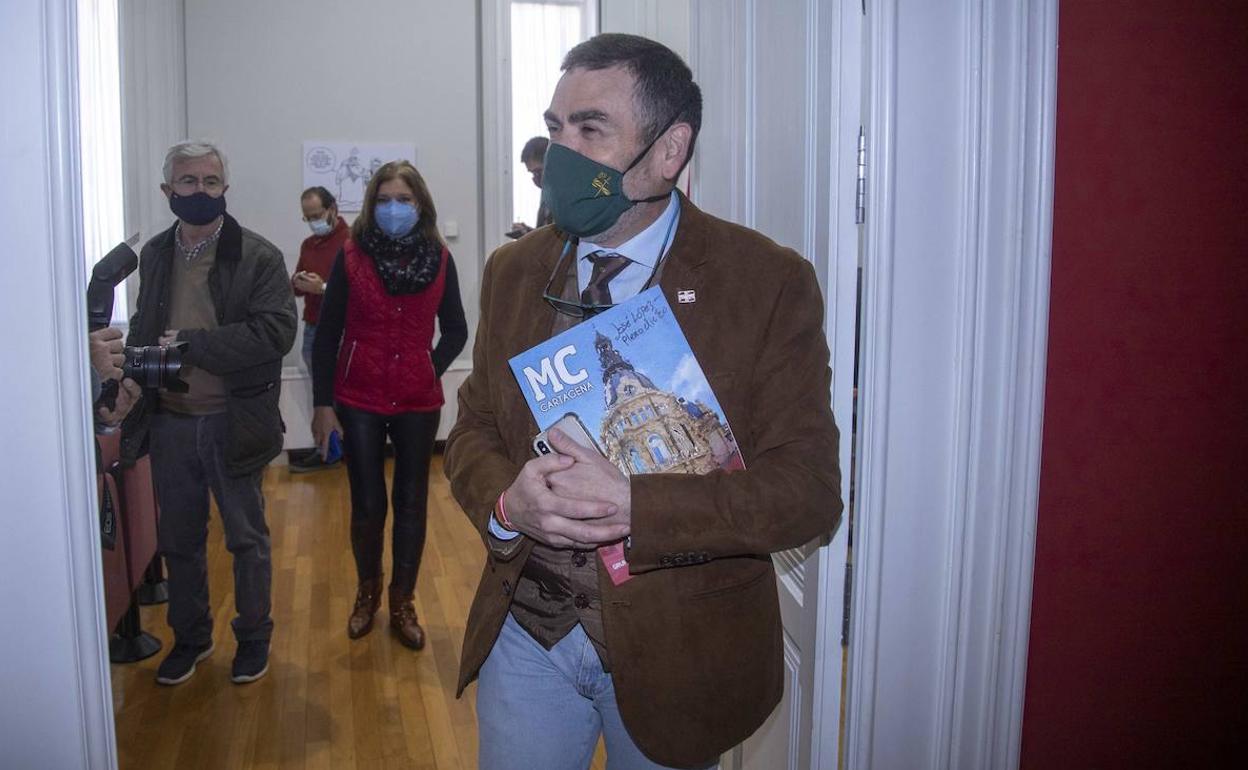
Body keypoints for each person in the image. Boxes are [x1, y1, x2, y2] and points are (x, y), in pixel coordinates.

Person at [444, 34, 843, 770]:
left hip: (681, 650)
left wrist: (636, 506)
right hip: (528, 631)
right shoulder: (513, 270)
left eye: (590, 129)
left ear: (669, 150)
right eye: (555, 127)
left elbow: (808, 495)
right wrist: (509, 507)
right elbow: (473, 427)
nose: (559, 153)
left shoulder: (764, 282)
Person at [121, 140, 297, 686]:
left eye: (211, 183)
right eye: (189, 182)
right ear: (167, 190)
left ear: (226, 189)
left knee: (246, 539)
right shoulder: (153, 253)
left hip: (234, 420)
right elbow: (145, 326)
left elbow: (277, 333)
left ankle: (253, 639)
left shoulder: (258, 255)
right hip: (170, 420)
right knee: (180, 541)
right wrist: (129, 372)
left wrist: (196, 344)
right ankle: (192, 639)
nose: (201, 192)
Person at [310, 160, 467, 649]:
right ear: (370, 204)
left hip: (418, 401)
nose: (393, 208)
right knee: (368, 504)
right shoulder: (352, 256)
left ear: (419, 205)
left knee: (412, 503)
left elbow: (457, 328)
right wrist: (322, 404)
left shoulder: (439, 259)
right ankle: (367, 594)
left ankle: (403, 601)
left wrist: (428, 365)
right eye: (383, 199)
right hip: (358, 397)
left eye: (403, 199)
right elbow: (327, 332)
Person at [289, 186, 350, 472]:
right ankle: (329, 449)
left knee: (341, 394)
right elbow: (298, 289)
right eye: (308, 217)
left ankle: (337, 451)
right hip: (313, 326)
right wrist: (299, 281)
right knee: (322, 394)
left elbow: (358, 291)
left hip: (343, 331)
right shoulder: (308, 244)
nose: (314, 221)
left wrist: (323, 287)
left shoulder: (351, 242)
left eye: (317, 214)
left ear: (332, 209)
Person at [508, 135, 553, 237]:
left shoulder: (570, 196)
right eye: (532, 173)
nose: (536, 178)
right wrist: (526, 232)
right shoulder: (546, 194)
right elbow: (547, 236)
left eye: (538, 172)